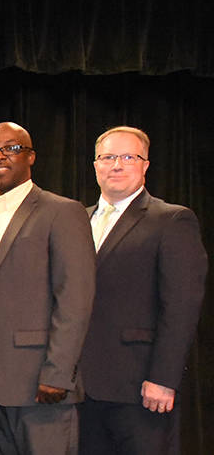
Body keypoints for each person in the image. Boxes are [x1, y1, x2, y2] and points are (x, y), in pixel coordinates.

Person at [0, 122, 95, 455]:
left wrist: (58, 373)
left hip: (38, 380)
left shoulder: (62, 212)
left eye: (11, 148)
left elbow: (75, 299)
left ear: (30, 157)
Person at [78, 127, 207, 454]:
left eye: (128, 157)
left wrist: (163, 378)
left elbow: (181, 307)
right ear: (95, 166)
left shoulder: (172, 220)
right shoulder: (77, 219)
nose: (116, 165)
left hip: (140, 388)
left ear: (146, 165)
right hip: (79, 390)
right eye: (108, 157)